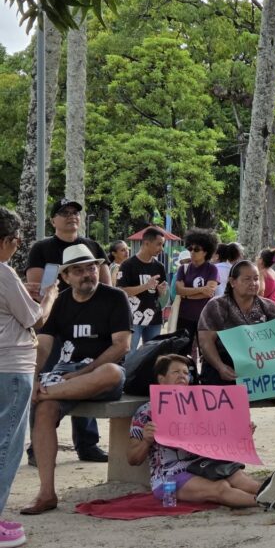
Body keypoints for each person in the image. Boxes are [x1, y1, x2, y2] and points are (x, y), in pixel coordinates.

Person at [21, 244, 131, 515]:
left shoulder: (115, 297)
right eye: (79, 270)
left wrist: (80, 374)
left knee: (112, 372)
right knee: (45, 410)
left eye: (92, 268)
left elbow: (121, 346)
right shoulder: (60, 302)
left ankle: (45, 393)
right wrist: (35, 377)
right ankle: (47, 493)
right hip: (63, 373)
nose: (88, 274)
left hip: (99, 374)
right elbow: (44, 345)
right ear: (66, 277)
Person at [196, 260, 275, 479]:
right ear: (233, 282)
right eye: (247, 279)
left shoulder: (266, 306)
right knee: (227, 396)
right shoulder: (217, 306)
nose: (253, 283)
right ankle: (229, 459)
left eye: (256, 278)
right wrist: (220, 366)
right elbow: (205, 342)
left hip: (260, 371)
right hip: (224, 369)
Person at [127, 355, 275, 510]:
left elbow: (218, 434)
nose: (182, 376)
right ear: (161, 379)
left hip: (204, 463)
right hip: (170, 476)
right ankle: (265, 501)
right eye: (176, 372)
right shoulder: (146, 412)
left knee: (239, 478)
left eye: (185, 372)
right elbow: (132, 459)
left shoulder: (199, 404)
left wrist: (241, 431)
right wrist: (146, 441)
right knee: (220, 487)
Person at [25, 198, 110, 464]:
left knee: (86, 378)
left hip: (90, 327)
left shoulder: (93, 246)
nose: (71, 216)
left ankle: (87, 444)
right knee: (45, 382)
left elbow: (107, 286)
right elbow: (36, 287)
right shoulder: (42, 248)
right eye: (64, 212)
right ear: (53, 220)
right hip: (53, 324)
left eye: (75, 212)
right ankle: (38, 446)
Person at [0, 208, 57, 545]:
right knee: (7, 445)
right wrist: (48, 296)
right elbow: (34, 319)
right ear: (9, 241)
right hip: (12, 364)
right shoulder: (4, 273)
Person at [116, 227, 168, 356]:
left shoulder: (159, 266)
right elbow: (121, 291)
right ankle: (129, 377)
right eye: (159, 244)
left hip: (154, 318)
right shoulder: (127, 265)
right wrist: (145, 286)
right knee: (130, 354)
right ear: (146, 243)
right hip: (132, 319)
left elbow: (160, 295)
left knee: (152, 355)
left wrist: (161, 292)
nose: (161, 248)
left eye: (163, 244)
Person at [175, 229, 220, 355]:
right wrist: (201, 289)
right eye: (190, 248)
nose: (192, 252)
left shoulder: (212, 269)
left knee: (207, 351)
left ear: (206, 252)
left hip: (205, 318)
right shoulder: (183, 268)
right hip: (184, 316)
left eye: (196, 249)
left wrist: (187, 294)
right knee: (183, 351)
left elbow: (209, 292)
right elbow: (179, 290)